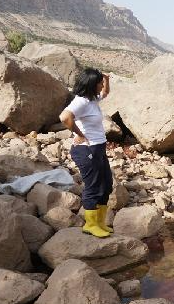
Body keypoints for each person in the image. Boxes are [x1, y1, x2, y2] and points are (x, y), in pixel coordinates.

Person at [59, 68, 113, 238]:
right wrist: (80, 135)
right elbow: (64, 117)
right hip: (86, 150)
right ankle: (90, 224)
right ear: (91, 84)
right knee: (94, 186)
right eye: (99, 82)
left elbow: (105, 93)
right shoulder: (81, 101)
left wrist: (106, 79)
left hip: (99, 148)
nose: (101, 85)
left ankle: (100, 223)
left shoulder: (92, 99)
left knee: (106, 185)